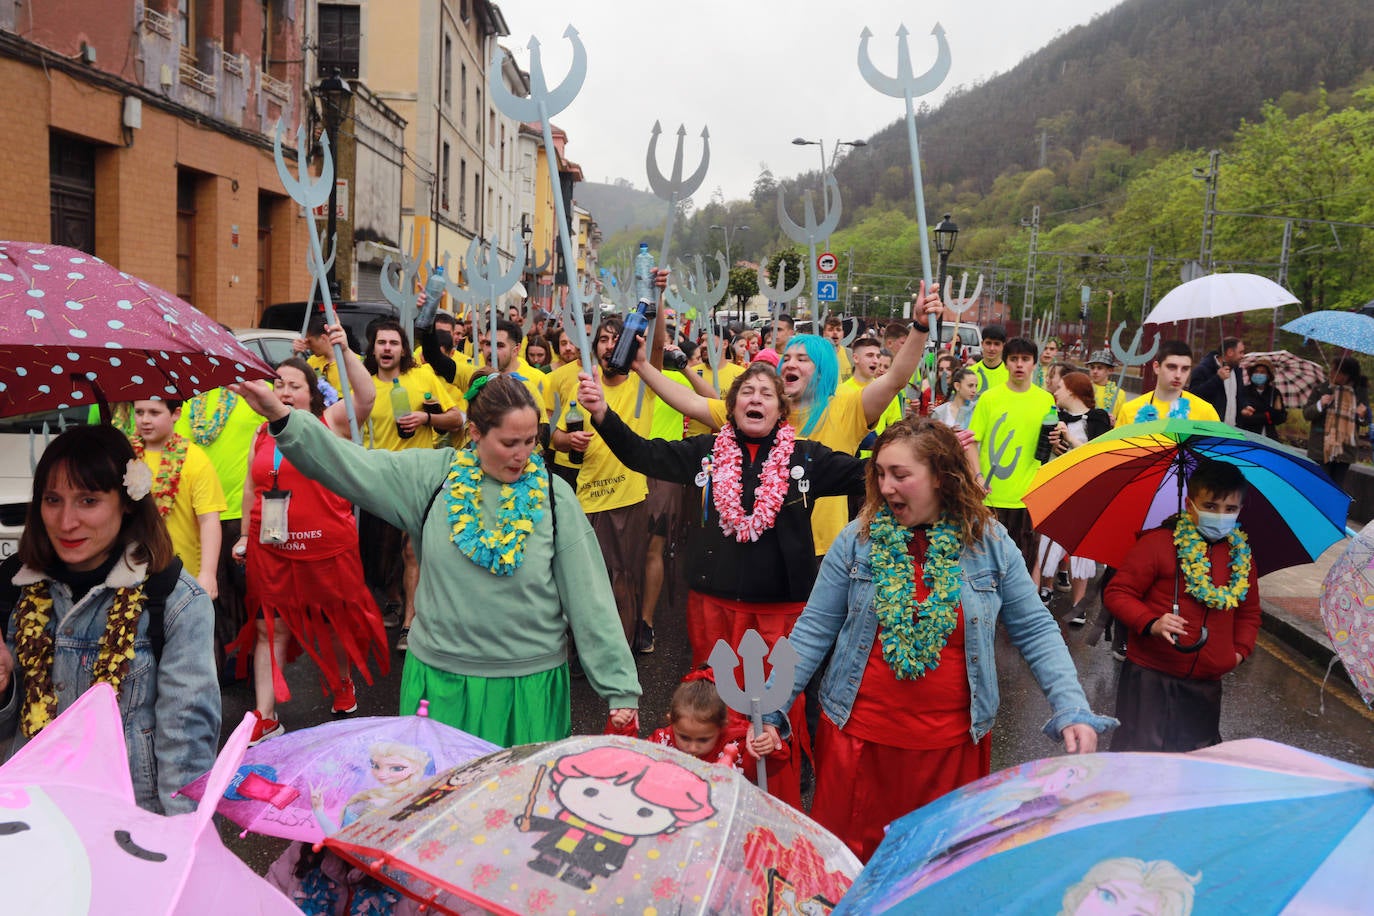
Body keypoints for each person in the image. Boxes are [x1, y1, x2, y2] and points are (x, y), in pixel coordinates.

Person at [752, 419, 1115, 861]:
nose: (886, 487)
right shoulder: (858, 540)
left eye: (901, 475)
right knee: (849, 873)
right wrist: (771, 705)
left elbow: (1036, 629)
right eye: (880, 473)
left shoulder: (990, 542)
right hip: (859, 745)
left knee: (931, 875)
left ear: (941, 476)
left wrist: (1071, 706)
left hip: (952, 751)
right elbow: (812, 632)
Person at [232, 369, 640, 746]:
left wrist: (619, 687)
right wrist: (281, 417)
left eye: (531, 441)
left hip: (528, 686)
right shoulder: (431, 478)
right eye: (509, 443)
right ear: (476, 433)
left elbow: (590, 596)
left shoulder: (554, 496)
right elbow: (348, 463)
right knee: (440, 806)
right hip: (440, 682)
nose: (523, 455)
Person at [579, 363, 866, 807]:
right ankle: (710, 798)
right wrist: (602, 415)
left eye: (766, 394)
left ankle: (776, 799)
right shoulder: (706, 453)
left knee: (776, 715)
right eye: (746, 392)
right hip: (712, 606)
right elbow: (643, 454)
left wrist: (926, 450)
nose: (756, 399)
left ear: (780, 410)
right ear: (730, 407)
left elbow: (866, 473)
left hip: (780, 612)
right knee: (711, 700)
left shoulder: (806, 457)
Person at [0, 424, 220, 813]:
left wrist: (181, 850)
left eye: (88, 500)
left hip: (129, 832)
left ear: (128, 500)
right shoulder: (14, 590)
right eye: (53, 500)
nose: (66, 522)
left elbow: (185, 754)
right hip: (36, 821)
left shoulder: (173, 601)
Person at [634, 284, 945, 557]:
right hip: (765, 546)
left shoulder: (848, 407)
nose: (790, 364)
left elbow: (895, 379)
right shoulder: (759, 412)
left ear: (823, 371)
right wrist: (642, 367)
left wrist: (918, 327)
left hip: (823, 549)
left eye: (802, 359)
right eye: (787, 359)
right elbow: (690, 401)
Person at [230, 339, 388, 744]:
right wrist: (247, 539)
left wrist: (346, 351)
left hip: (327, 549)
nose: (284, 392)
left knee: (333, 625)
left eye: (294, 385)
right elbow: (253, 488)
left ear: (312, 393)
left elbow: (367, 396)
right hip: (272, 548)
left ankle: (342, 684)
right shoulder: (260, 434)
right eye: (278, 384)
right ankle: (265, 715)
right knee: (269, 628)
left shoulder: (329, 421)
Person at [1103, 459, 1259, 752]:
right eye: (1211, 506)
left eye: (1230, 509)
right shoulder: (1158, 544)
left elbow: (1249, 613)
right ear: (1190, 504)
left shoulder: (1241, 556)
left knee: (1194, 764)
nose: (1220, 516)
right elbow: (1118, 592)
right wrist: (1151, 622)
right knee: (1138, 761)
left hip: (1206, 684)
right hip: (1150, 676)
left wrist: (1237, 653)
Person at [361, 319, 464, 650]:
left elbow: (457, 418)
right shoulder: (362, 386)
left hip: (420, 478)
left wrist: (426, 418)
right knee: (381, 556)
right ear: (373, 348)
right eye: (381, 343)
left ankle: (410, 622)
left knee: (411, 551)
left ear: (403, 348)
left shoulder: (421, 376)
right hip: (378, 480)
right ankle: (392, 597)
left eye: (393, 342)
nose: (387, 348)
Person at [175, 386, 263, 679]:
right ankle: (225, 659)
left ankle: (254, 655)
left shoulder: (251, 394)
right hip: (198, 514)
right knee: (216, 593)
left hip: (242, 513)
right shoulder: (184, 399)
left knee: (249, 592)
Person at [968, 337, 1058, 570]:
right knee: (985, 567)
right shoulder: (989, 398)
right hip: (990, 496)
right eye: (1014, 359)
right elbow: (971, 442)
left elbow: (1050, 445)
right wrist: (977, 477)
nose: (1019, 364)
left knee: (1022, 568)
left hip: (1027, 498)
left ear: (1034, 364)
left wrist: (1058, 438)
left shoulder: (1046, 400)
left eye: (1025, 359)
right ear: (1006, 363)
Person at [1032, 371, 1112, 622]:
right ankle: (1042, 592)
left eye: (1061, 387)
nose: (1056, 391)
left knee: (1081, 551)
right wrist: (1055, 445)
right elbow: (1042, 455)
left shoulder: (1097, 418)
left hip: (1085, 492)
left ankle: (1078, 605)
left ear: (1073, 391)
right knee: (1045, 542)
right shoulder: (1057, 417)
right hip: (1057, 488)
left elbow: (1098, 454)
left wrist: (1069, 438)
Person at [130, 399, 227, 599]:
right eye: (139, 412)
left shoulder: (195, 459)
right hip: (131, 569)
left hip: (181, 575)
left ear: (176, 414)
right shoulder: (125, 454)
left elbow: (209, 519)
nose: (145, 420)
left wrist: (208, 574)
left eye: (154, 413)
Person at [647, 669, 783, 781]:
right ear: (671, 721)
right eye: (684, 737)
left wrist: (766, 747)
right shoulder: (661, 741)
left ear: (722, 726)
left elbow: (763, 768)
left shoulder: (737, 744)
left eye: (703, 739)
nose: (693, 747)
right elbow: (638, 762)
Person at [1113, 341, 1221, 426]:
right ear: (1156, 367)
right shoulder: (1129, 411)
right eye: (1172, 367)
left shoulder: (1205, 412)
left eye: (1185, 369)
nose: (1178, 375)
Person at [1304, 356, 1368, 490]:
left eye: (1336, 371)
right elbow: (1307, 414)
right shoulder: (1322, 389)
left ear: (1347, 376)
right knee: (1320, 487)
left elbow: (1365, 421)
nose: (1331, 373)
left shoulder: (1359, 393)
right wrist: (1320, 404)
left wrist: (1361, 415)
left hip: (1345, 450)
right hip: (1320, 449)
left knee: (1336, 489)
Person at [1189, 337, 1246, 424]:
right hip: (1210, 427)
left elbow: (1237, 396)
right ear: (1230, 352)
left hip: (1233, 428)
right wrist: (1217, 379)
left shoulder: (1237, 371)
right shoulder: (1203, 369)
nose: (1243, 356)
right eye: (1240, 352)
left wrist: (1244, 406)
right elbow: (1194, 396)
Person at [1237, 359, 1286, 439]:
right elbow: (1245, 416)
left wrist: (1277, 411)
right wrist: (1268, 416)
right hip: (1248, 435)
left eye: (1262, 372)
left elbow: (1281, 418)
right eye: (1256, 371)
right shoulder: (1245, 391)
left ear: (1268, 375)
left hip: (1269, 436)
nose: (1258, 374)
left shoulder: (1274, 392)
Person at [970, 324, 1008, 394]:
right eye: (988, 343)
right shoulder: (969, 373)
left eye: (996, 344)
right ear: (982, 344)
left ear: (1003, 346)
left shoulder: (1011, 374)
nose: (991, 348)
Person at [1086, 349, 1123, 416]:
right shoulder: (1083, 388)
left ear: (1110, 370)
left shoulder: (1119, 393)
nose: (1095, 371)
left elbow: (1122, 418)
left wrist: (1115, 421)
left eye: (1099, 368)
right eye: (1092, 368)